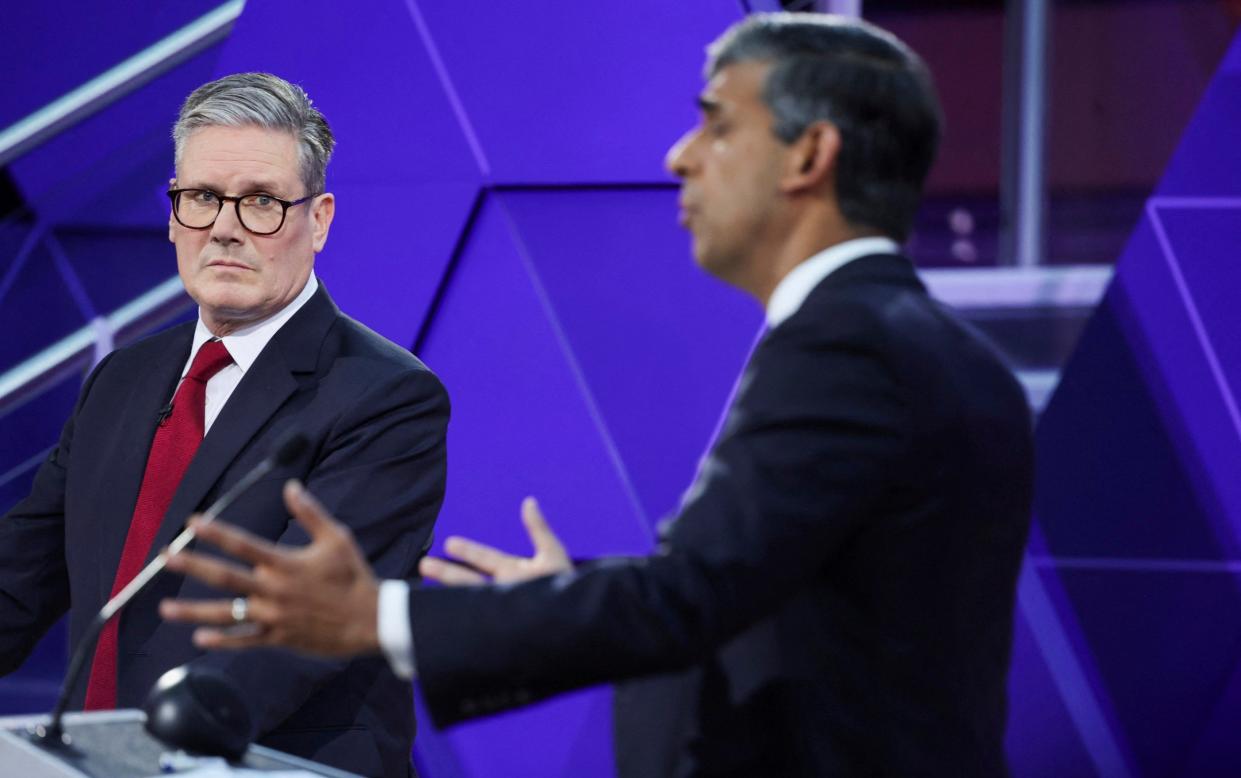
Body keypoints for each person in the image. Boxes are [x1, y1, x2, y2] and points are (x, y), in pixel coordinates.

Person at [162, 14, 1034, 776]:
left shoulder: (847, 346)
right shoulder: (939, 350)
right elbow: (787, 593)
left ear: (809, 154)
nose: (679, 156)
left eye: (717, 126)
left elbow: (690, 599)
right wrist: (566, 595)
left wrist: (377, 616)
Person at [0, 73, 449, 777]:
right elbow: (18, 577)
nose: (226, 227)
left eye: (262, 202)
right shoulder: (122, 379)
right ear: (174, 213)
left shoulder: (386, 396)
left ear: (320, 219)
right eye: (204, 198)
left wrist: (156, 751)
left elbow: (301, 631)